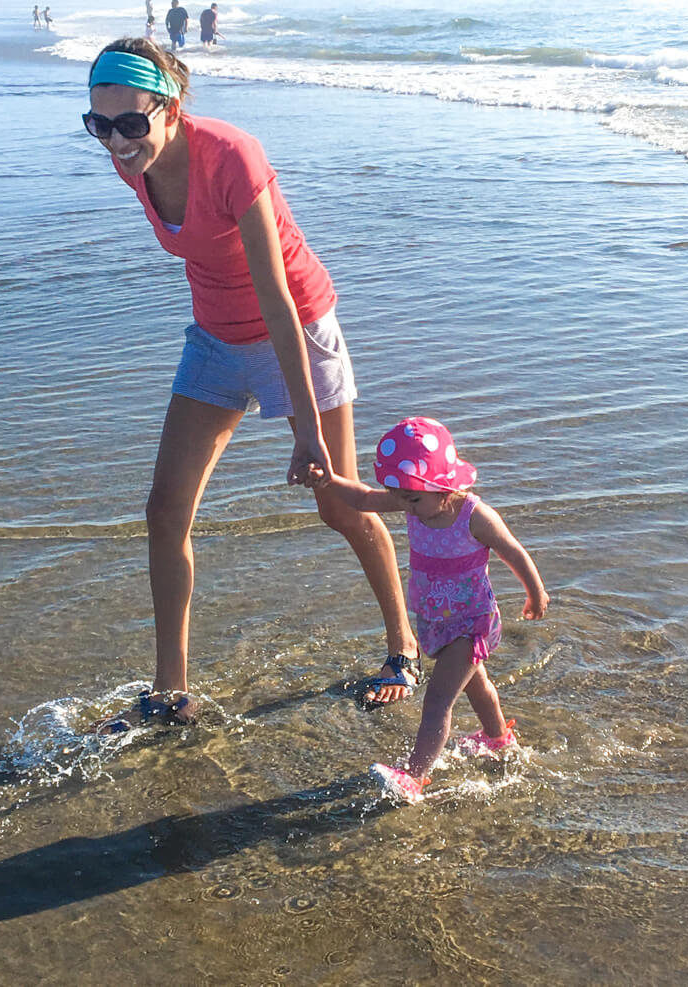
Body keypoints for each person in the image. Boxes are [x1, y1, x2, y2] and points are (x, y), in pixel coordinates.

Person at [82, 39, 420, 731]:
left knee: (340, 503)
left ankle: (405, 648)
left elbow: (276, 298)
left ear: (169, 108)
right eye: (101, 125)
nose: (116, 141)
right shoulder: (132, 164)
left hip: (295, 329)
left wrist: (303, 427)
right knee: (164, 510)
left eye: (131, 123)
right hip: (214, 338)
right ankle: (170, 693)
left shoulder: (233, 156)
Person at [310, 416, 550, 803]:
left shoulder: (475, 517)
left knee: (438, 700)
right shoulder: (415, 500)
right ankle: (498, 739)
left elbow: (513, 552)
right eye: (401, 496)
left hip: (472, 623)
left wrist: (534, 594)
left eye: (412, 498)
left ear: (443, 487)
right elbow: (363, 498)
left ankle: (414, 776)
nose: (403, 505)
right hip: (437, 621)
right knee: (478, 686)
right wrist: (328, 481)